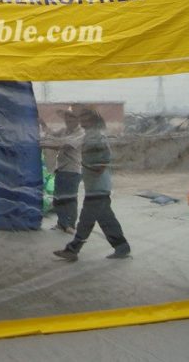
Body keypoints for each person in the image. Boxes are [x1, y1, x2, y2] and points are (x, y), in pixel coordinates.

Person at [53, 107, 130, 261]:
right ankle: (122, 247)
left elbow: (101, 165)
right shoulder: (90, 136)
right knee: (107, 220)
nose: (82, 120)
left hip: (98, 189)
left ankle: (72, 249)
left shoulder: (97, 138)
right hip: (95, 188)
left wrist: (85, 166)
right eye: (82, 117)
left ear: (93, 121)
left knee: (85, 221)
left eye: (85, 118)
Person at [40, 105, 84, 233]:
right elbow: (51, 134)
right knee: (58, 197)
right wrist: (43, 124)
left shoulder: (81, 133)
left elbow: (63, 144)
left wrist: (42, 144)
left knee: (70, 198)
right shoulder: (64, 130)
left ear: (78, 120)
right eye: (67, 118)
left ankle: (70, 225)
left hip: (72, 170)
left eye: (71, 118)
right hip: (61, 169)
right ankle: (61, 223)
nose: (68, 120)